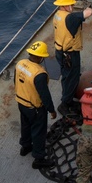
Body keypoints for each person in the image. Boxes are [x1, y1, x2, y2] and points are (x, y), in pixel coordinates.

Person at [14, 41, 57, 169]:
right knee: (39, 131)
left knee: (25, 125)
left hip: (21, 103)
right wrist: (51, 110)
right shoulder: (39, 74)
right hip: (35, 108)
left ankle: (25, 147)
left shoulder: (20, 64)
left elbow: (15, 82)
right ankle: (39, 158)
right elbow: (45, 95)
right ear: (40, 57)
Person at [53, 0, 92, 115]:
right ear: (65, 6)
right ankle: (65, 104)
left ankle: (68, 99)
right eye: (71, 4)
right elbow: (88, 13)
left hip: (60, 51)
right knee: (72, 78)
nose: (72, 6)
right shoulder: (70, 18)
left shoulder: (57, 15)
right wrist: (88, 8)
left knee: (66, 76)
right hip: (70, 54)